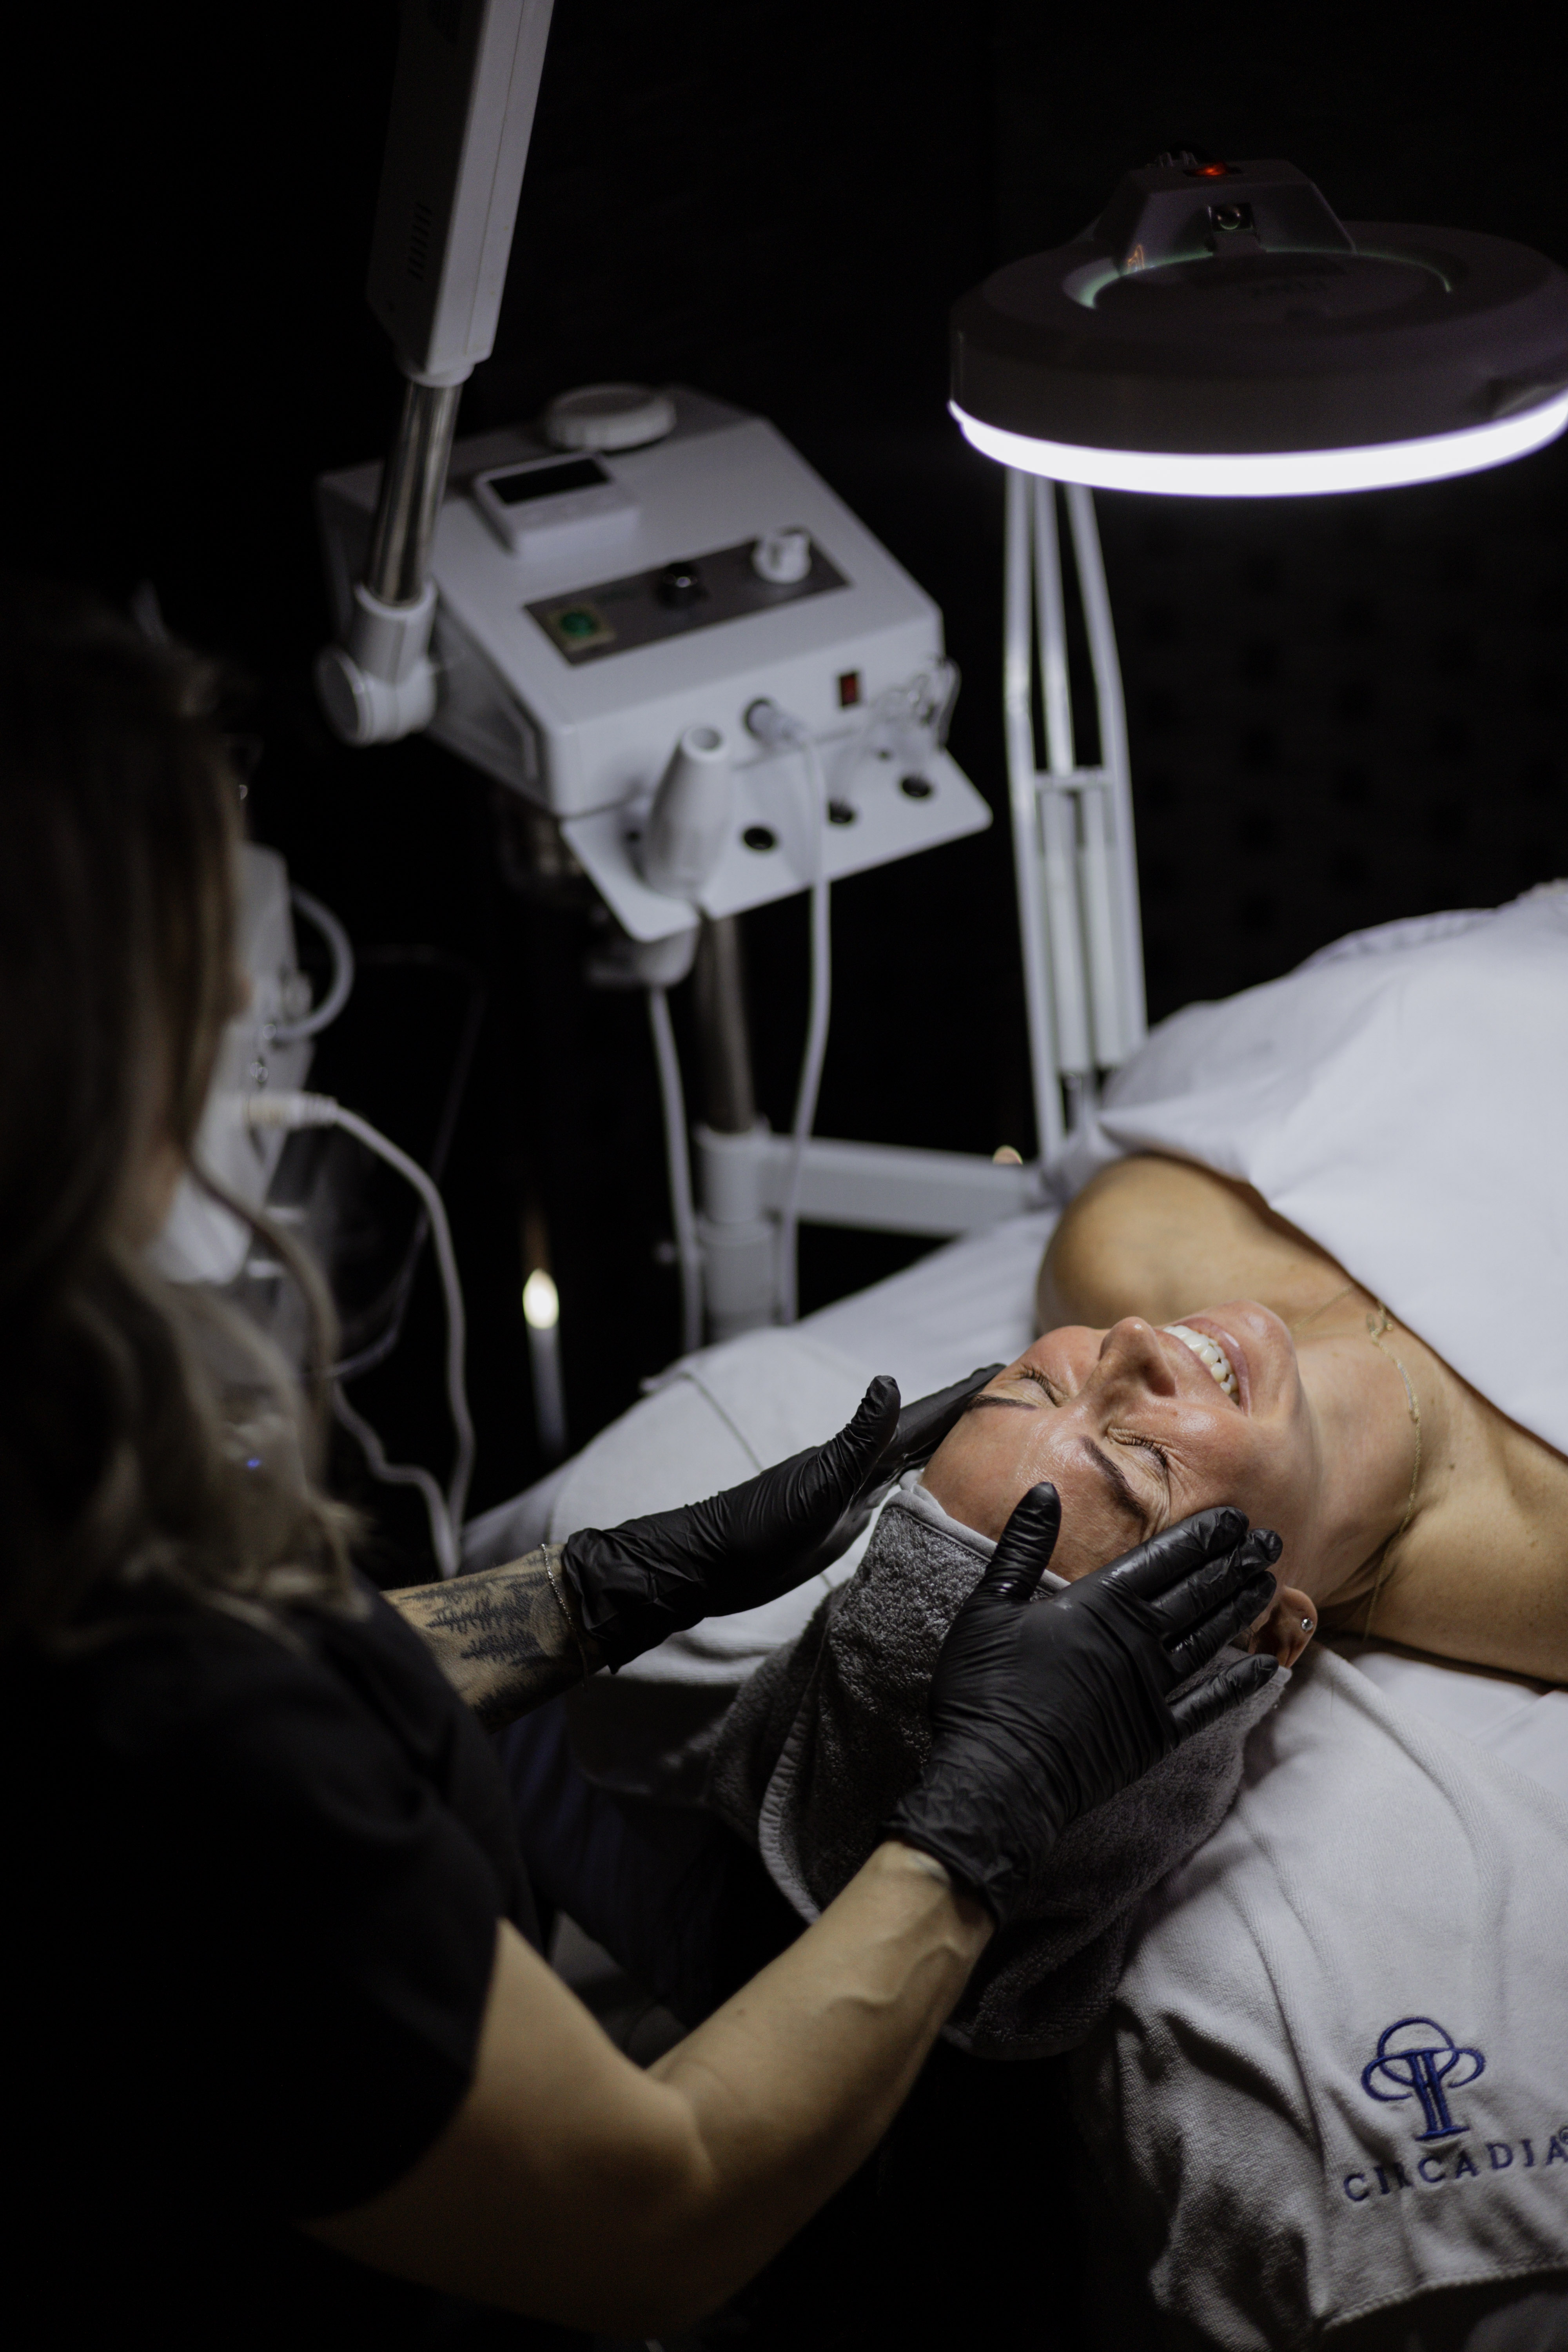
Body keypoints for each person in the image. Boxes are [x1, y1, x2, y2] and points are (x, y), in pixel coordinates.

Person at [0, 586, 1280, 2349]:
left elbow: (285, 1683)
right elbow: (657, 2211)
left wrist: (601, 1588)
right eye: (197, 989)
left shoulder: (77, 1497)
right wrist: (978, 1829)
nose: (247, 1004)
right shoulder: (182, 1747)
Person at [917, 1149, 1568, 1684]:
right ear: (1268, 1631)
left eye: (1037, 1387)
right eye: (1145, 1457)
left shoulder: (1127, 1240)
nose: (1132, 1340)